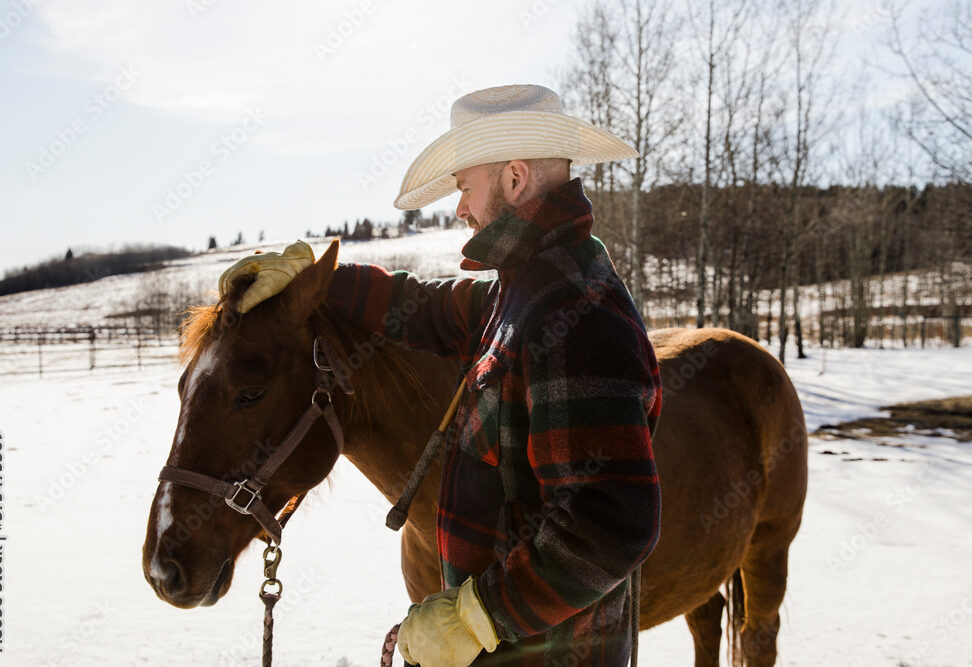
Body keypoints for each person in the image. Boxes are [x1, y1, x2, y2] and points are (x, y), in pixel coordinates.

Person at [221, 84, 662, 666]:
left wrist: (479, 616)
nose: (459, 208)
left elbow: (610, 521)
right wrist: (313, 279)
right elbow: (426, 308)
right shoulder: (529, 285)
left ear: (514, 178)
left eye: (463, 186)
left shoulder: (575, 312)